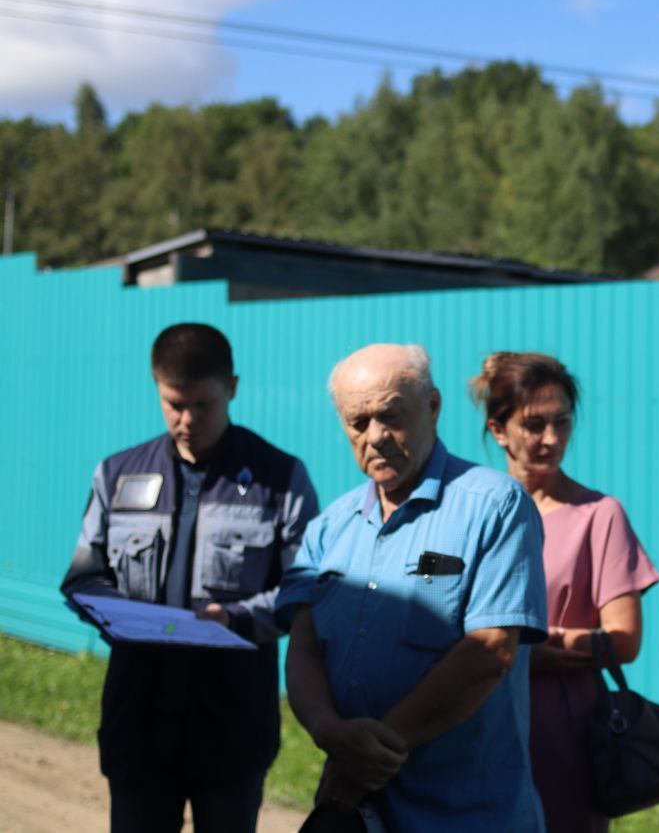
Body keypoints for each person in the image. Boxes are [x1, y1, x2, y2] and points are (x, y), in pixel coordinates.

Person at [276, 343, 548, 831]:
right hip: (357, 814)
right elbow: (304, 646)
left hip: (466, 813)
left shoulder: (496, 505)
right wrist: (327, 730)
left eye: (392, 415)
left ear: (433, 406)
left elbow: (490, 653)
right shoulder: (329, 526)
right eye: (358, 423)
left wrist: (369, 755)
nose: (376, 437)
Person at [61, 322, 320, 833]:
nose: (187, 420)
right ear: (157, 387)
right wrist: (131, 618)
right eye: (173, 404)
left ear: (233, 389)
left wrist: (238, 619)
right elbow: (82, 580)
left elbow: (305, 589)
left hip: (231, 725)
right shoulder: (117, 474)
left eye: (203, 405)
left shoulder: (280, 478)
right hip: (139, 719)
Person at [470, 351, 659, 833]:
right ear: (499, 430)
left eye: (562, 422)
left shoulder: (599, 514)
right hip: (472, 714)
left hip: (563, 729)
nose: (551, 439)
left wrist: (517, 646)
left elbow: (623, 640)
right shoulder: (471, 513)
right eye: (534, 424)